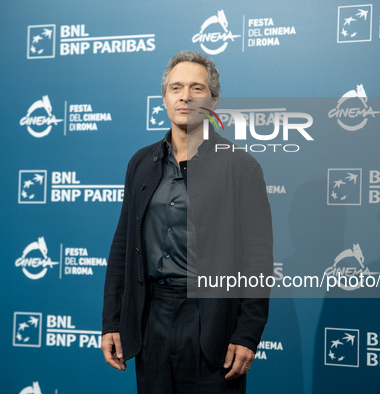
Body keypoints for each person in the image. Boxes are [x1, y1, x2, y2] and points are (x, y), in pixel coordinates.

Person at [101, 51, 273, 393]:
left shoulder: (240, 167)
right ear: (164, 98)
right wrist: (112, 321)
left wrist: (247, 333)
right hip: (150, 317)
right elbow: (123, 244)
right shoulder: (141, 163)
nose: (186, 96)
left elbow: (258, 259)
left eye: (197, 88)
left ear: (213, 100)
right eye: (176, 87)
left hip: (211, 321)